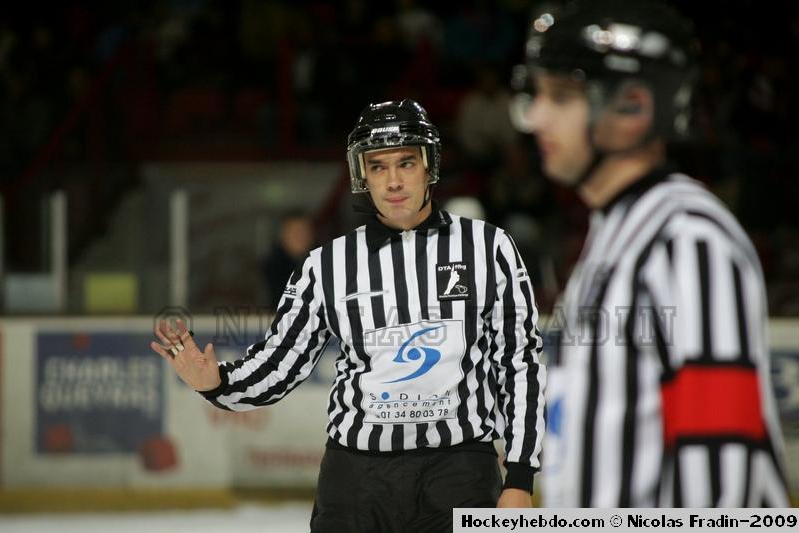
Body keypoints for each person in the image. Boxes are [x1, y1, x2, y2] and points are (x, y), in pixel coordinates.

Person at [151, 99, 546, 531]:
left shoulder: (489, 248)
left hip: (460, 474)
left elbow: (519, 363)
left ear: (429, 165)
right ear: (362, 174)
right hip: (356, 481)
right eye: (378, 167)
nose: (393, 181)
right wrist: (219, 382)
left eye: (405, 163)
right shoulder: (327, 264)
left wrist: (520, 476)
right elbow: (282, 360)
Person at [511, 0, 790, 507]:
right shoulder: (617, 231)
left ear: (633, 107)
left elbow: (721, 484)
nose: (537, 117)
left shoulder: (685, 239)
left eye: (561, 96)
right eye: (539, 94)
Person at [261, 210, 315, 310]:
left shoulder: (326, 264)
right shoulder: (270, 268)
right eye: (294, 232)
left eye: (304, 231)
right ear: (282, 236)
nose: (300, 237)